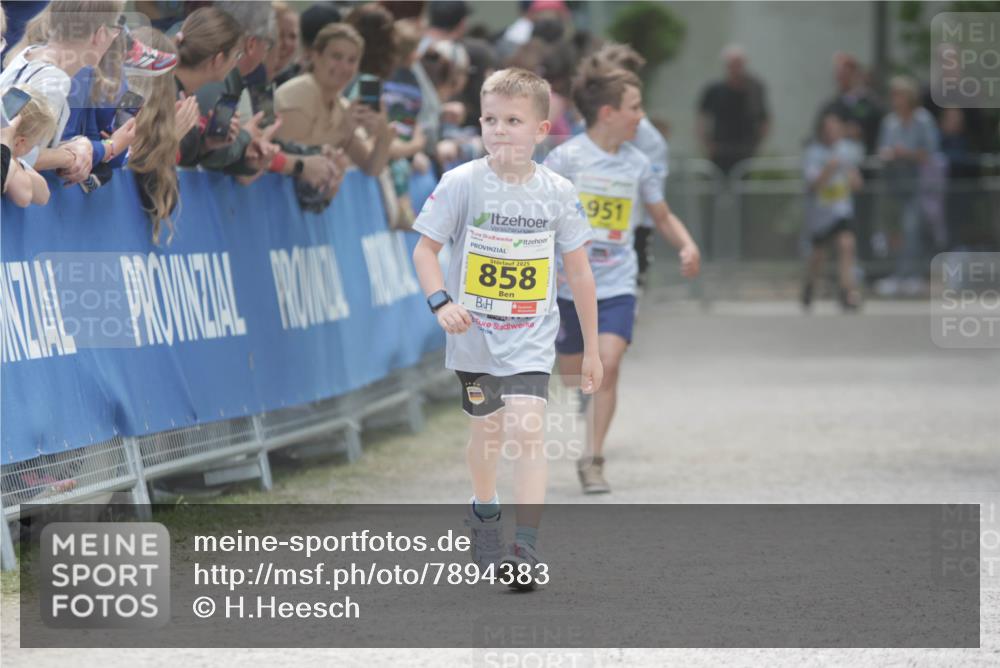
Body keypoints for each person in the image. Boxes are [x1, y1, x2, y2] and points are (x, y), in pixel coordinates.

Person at [411, 68, 602, 587]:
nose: (499, 130)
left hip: (531, 337)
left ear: (541, 130)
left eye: (513, 121)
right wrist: (440, 302)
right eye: (491, 119)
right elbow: (425, 250)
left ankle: (526, 548)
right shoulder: (461, 183)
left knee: (527, 427)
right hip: (473, 338)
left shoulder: (558, 192)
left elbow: (580, 271)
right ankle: (484, 507)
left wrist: (590, 350)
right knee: (487, 434)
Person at [545, 62, 700, 494]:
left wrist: (686, 244)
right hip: (567, 287)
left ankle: (593, 460)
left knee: (608, 367)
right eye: (635, 107)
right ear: (608, 112)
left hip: (616, 283)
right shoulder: (566, 158)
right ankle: (583, 397)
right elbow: (541, 216)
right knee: (577, 374)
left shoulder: (637, 163)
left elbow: (661, 215)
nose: (641, 116)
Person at [0, 1, 126, 184]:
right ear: (99, 34)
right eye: (115, 28)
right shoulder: (54, 79)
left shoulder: (28, 54)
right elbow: (16, 153)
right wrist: (68, 156)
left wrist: (78, 147)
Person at [592, 43, 670, 289]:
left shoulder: (648, 139)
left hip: (630, 233)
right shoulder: (592, 125)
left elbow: (653, 199)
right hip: (590, 234)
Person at [274, 23, 394, 178]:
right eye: (336, 56)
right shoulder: (297, 94)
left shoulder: (342, 106)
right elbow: (288, 156)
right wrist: (342, 132)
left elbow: (371, 168)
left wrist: (383, 133)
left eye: (352, 60)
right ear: (316, 56)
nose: (344, 67)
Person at [127, 28, 199, 245]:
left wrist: (167, 138)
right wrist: (170, 140)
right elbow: (155, 201)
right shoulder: (109, 110)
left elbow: (163, 204)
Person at [874, 75, 940, 297]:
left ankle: (913, 275)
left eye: (899, 95)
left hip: (918, 185)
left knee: (913, 229)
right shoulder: (889, 122)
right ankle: (898, 274)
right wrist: (891, 154)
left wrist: (907, 154)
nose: (895, 99)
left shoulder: (923, 120)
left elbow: (931, 153)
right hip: (895, 184)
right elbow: (882, 150)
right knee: (895, 232)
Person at [801, 111, 863, 311]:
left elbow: (857, 183)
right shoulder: (814, 153)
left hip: (841, 210)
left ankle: (847, 291)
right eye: (828, 130)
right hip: (821, 213)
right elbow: (814, 185)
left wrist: (852, 176)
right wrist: (829, 168)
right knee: (818, 255)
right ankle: (809, 286)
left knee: (846, 245)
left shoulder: (847, 150)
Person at [696, 44, 770, 174]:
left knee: (743, 189)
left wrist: (757, 146)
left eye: (739, 64)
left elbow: (765, 119)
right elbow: (701, 119)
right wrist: (706, 144)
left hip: (746, 151)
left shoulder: (755, 90)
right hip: (719, 150)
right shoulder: (714, 90)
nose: (737, 68)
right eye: (733, 64)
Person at [1, 88, 56, 206]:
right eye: (35, 145)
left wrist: (16, 165)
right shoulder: (7, 160)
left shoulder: (12, 160)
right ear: (19, 143)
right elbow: (24, 197)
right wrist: (11, 164)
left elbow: (44, 195)